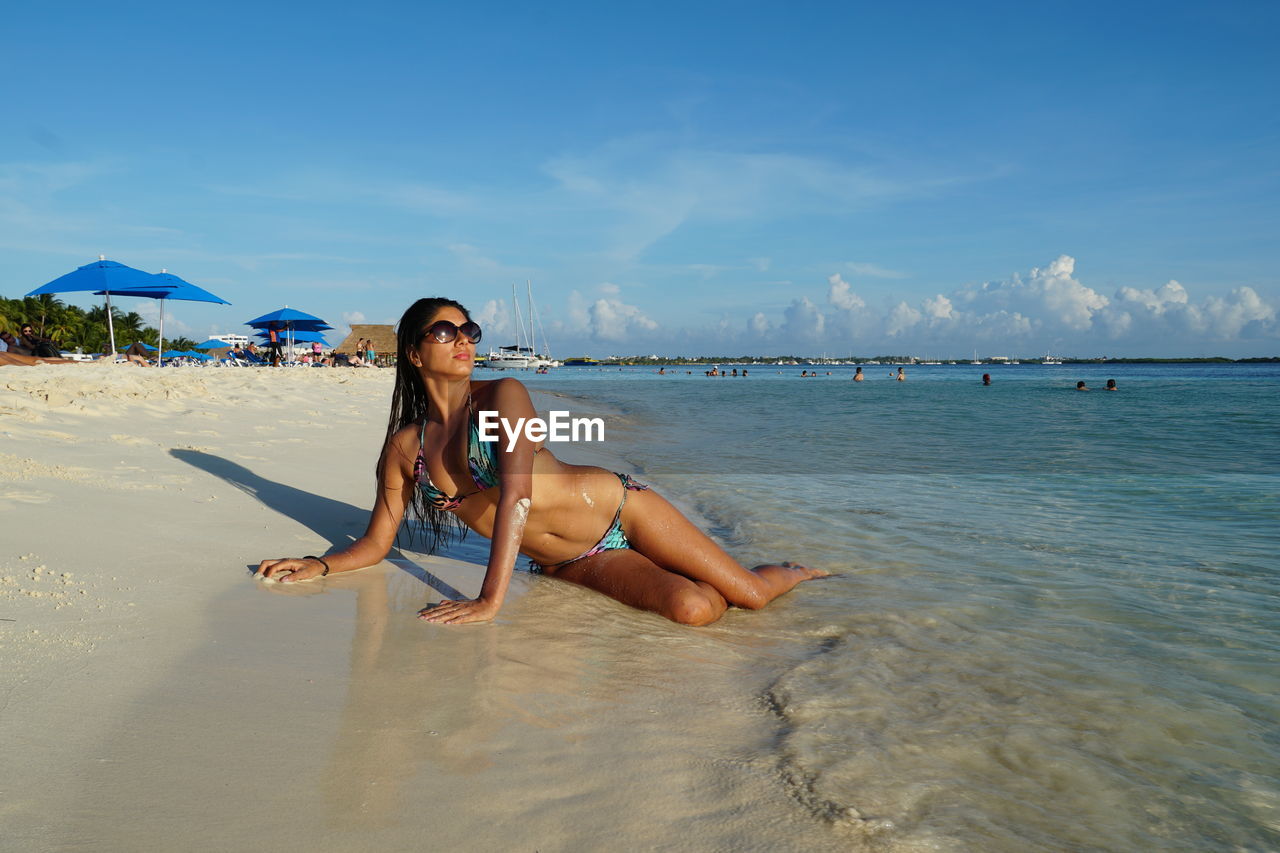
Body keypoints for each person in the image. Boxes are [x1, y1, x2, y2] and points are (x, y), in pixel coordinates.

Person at [257, 297, 826, 626]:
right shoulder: (405, 449)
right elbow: (378, 542)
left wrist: (488, 599)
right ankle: (699, 574)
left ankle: (796, 569)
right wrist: (322, 565)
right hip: (566, 560)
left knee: (749, 596)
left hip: (621, 512)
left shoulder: (504, 394)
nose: (465, 339)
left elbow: (519, 497)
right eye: (445, 330)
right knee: (693, 610)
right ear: (413, 351)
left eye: (470, 330)